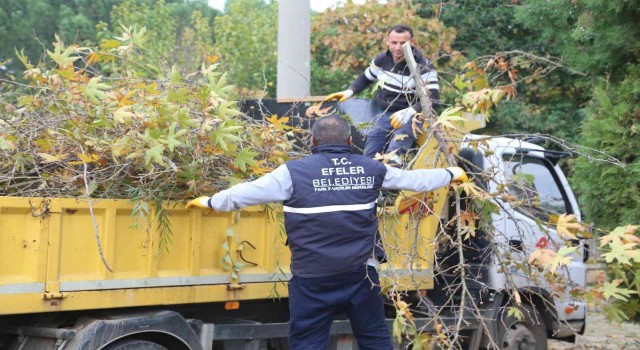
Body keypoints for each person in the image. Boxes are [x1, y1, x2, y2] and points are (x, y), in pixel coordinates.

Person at [186, 114, 466, 350]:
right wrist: (451, 174)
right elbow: (416, 180)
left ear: (312, 142)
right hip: (359, 276)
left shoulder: (292, 173)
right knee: (374, 339)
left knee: (308, 343)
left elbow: (246, 193)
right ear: (349, 141)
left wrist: (211, 202)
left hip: (312, 279)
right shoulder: (371, 168)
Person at [325, 24, 441, 164]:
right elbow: (366, 78)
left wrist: (410, 112)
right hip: (385, 113)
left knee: (394, 155)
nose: (398, 47)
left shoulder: (423, 66)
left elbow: (433, 98)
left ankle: (392, 180)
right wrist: (349, 91)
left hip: (412, 116)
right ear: (387, 41)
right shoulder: (382, 59)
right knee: (371, 150)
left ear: (412, 42)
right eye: (394, 42)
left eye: (403, 43)